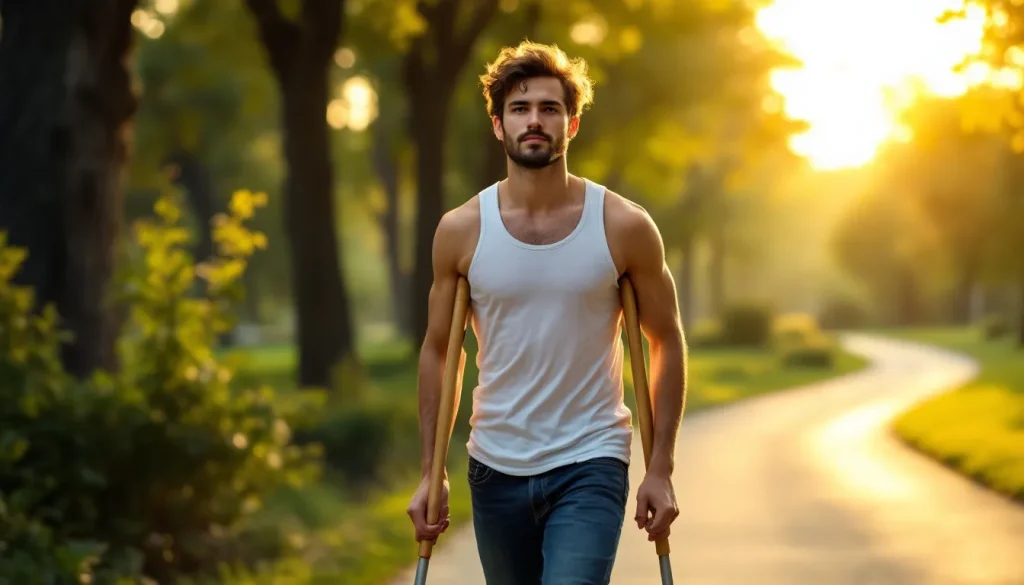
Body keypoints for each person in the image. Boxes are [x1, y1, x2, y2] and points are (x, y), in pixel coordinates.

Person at [406, 40, 688, 585]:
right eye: (520, 108)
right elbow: (440, 351)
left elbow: (665, 339)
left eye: (549, 108)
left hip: (591, 460)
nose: (534, 120)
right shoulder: (461, 230)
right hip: (495, 465)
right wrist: (430, 472)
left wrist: (660, 469)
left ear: (572, 124)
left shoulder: (623, 226)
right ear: (498, 125)